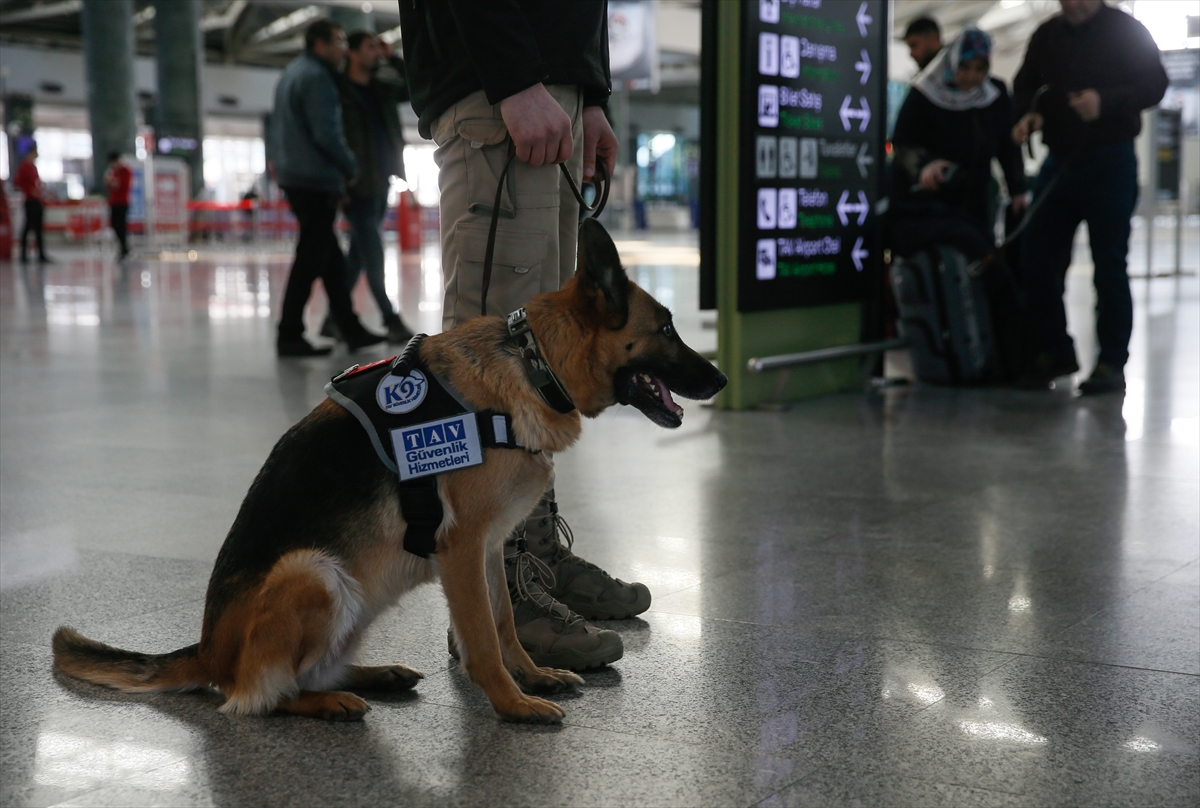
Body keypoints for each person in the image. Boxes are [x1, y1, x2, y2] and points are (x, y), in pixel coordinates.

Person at [399, 0, 648, 671]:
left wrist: (589, 91)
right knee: (492, 359)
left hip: (548, 85)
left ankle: (531, 551)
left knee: (544, 356)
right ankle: (491, 595)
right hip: (498, 87)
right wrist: (511, 76)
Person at [1012, 0, 1168, 394]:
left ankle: (1111, 363)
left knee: (1109, 263)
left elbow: (1155, 84)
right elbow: (1025, 85)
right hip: (1060, 160)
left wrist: (1106, 101)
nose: (1076, 4)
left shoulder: (1125, 31)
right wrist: (1030, 114)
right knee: (1037, 257)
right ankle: (1054, 351)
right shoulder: (1046, 35)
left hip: (1111, 159)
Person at [268, 18, 385, 358]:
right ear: (318, 43)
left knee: (330, 257)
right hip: (315, 179)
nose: (341, 48)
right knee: (310, 257)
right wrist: (351, 167)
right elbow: (327, 133)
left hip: (296, 176)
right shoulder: (318, 78)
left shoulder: (292, 72)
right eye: (337, 40)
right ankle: (289, 333)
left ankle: (350, 328)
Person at [890, 26, 1028, 263]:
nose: (972, 77)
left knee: (979, 257)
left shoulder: (994, 94)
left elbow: (1008, 145)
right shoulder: (925, 92)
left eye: (980, 69)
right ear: (953, 61)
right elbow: (903, 143)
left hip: (978, 197)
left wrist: (1018, 189)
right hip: (932, 203)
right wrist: (925, 165)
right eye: (964, 67)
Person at [321, 31, 415, 346]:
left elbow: (409, 86)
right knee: (373, 253)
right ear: (352, 53)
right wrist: (339, 180)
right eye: (371, 47)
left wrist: (394, 58)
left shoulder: (380, 88)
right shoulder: (337, 90)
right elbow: (332, 138)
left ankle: (332, 321)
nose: (377, 52)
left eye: (379, 47)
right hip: (355, 183)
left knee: (358, 256)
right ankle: (391, 320)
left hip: (381, 180)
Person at [15, 145, 52, 264]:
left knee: (38, 227)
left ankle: (41, 253)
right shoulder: (24, 166)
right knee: (27, 227)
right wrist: (29, 190)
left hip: (37, 200)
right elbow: (18, 182)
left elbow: (37, 183)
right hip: (30, 200)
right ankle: (23, 254)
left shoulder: (33, 167)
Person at [104, 151, 132, 261]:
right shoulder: (113, 172)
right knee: (115, 225)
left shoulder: (125, 171)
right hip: (114, 202)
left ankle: (124, 248)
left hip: (122, 202)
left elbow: (122, 185)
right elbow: (110, 186)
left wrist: (113, 182)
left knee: (121, 225)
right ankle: (123, 247)